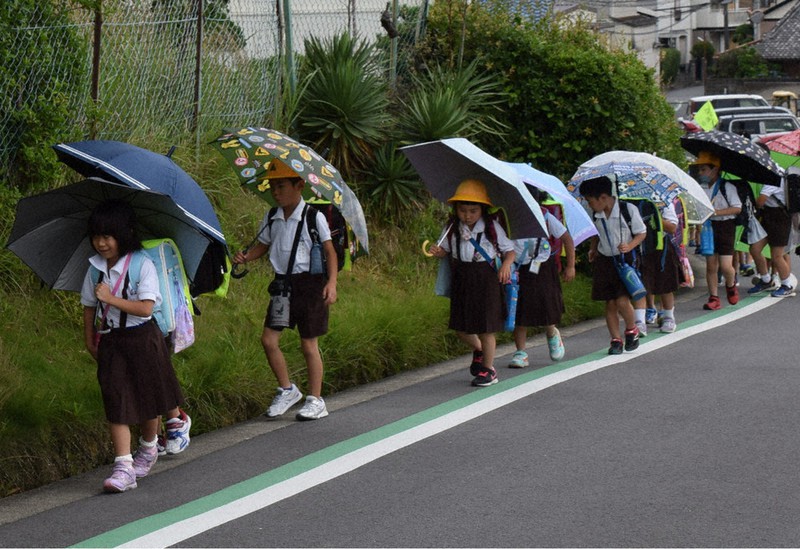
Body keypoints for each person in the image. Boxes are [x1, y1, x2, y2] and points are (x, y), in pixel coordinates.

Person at [80, 199, 185, 493]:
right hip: (112, 340)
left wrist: (110, 299)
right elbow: (89, 306)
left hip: (143, 337)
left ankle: (149, 447)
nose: (101, 243)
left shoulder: (142, 264)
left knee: (147, 395)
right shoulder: (94, 269)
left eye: (108, 236)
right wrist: (90, 339)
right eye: (96, 236)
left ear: (124, 234)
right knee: (116, 398)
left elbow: (145, 308)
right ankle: (123, 465)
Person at [233, 159, 337, 421]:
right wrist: (247, 257)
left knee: (308, 344)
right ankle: (287, 389)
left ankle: (316, 399)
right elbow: (264, 246)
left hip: (310, 285)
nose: (275, 192)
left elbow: (329, 251)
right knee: (269, 339)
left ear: (299, 186)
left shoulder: (314, 217)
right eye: (272, 187)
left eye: (281, 186)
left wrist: (331, 283)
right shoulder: (271, 216)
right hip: (282, 284)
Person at [428, 179, 516, 387]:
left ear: (483, 210)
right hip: (462, 278)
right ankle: (479, 349)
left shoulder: (492, 228)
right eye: (463, 210)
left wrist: (505, 266)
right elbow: (445, 251)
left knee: (486, 327)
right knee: (461, 326)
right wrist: (438, 251)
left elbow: (509, 251)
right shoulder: (452, 228)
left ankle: (488, 370)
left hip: (486, 279)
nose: (467, 215)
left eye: (473, 211)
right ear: (456, 208)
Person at [579, 175, 647, 355]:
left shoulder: (627, 210)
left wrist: (630, 245)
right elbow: (596, 233)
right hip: (605, 260)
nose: (589, 204)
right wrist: (593, 249)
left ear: (603, 197)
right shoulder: (596, 213)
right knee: (609, 303)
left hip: (625, 261)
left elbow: (641, 233)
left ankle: (632, 329)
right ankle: (615, 340)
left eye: (590, 200)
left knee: (622, 300)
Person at [508, 187, 575, 367]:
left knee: (546, 304)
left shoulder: (546, 217)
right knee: (519, 310)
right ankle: (521, 352)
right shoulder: (511, 219)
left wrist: (570, 266)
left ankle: (552, 332)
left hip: (542, 266)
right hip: (518, 268)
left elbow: (567, 239)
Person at [691, 151, 742, 310]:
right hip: (708, 228)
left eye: (704, 169)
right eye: (699, 170)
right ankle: (714, 297)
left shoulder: (727, 187)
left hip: (726, 226)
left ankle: (730, 284)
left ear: (715, 170)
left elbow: (737, 208)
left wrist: (717, 212)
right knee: (711, 265)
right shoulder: (700, 188)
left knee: (726, 266)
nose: (701, 173)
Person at [639, 200, 682, 333]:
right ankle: (639, 321)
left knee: (665, 283)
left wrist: (655, 217)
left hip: (661, 246)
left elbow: (673, 227)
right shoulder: (632, 203)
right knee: (641, 284)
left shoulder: (663, 202)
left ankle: (669, 317)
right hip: (640, 246)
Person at [747, 183, 795, 297]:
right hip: (768, 217)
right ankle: (766, 280)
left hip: (780, 218)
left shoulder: (774, 179)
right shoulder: (770, 177)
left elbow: (760, 201)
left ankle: (787, 285)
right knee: (755, 249)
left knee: (777, 256)